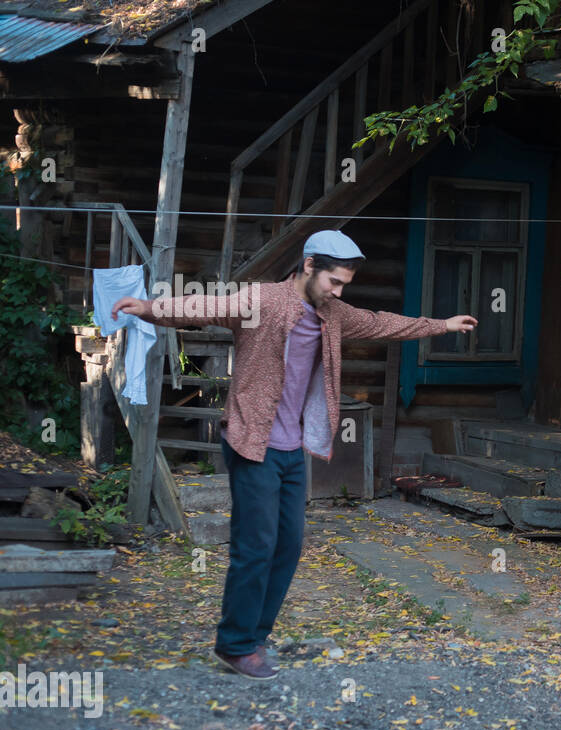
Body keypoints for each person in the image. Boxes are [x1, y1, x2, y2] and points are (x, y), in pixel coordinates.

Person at [110, 230, 477, 680]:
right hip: (252, 440)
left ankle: (254, 637)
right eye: (333, 282)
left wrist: (442, 325)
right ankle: (235, 644)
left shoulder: (333, 313)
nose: (338, 293)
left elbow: (382, 322)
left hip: (291, 447)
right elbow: (204, 306)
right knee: (256, 545)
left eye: (344, 285)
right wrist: (149, 307)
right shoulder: (263, 300)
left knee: (288, 546)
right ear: (308, 266)